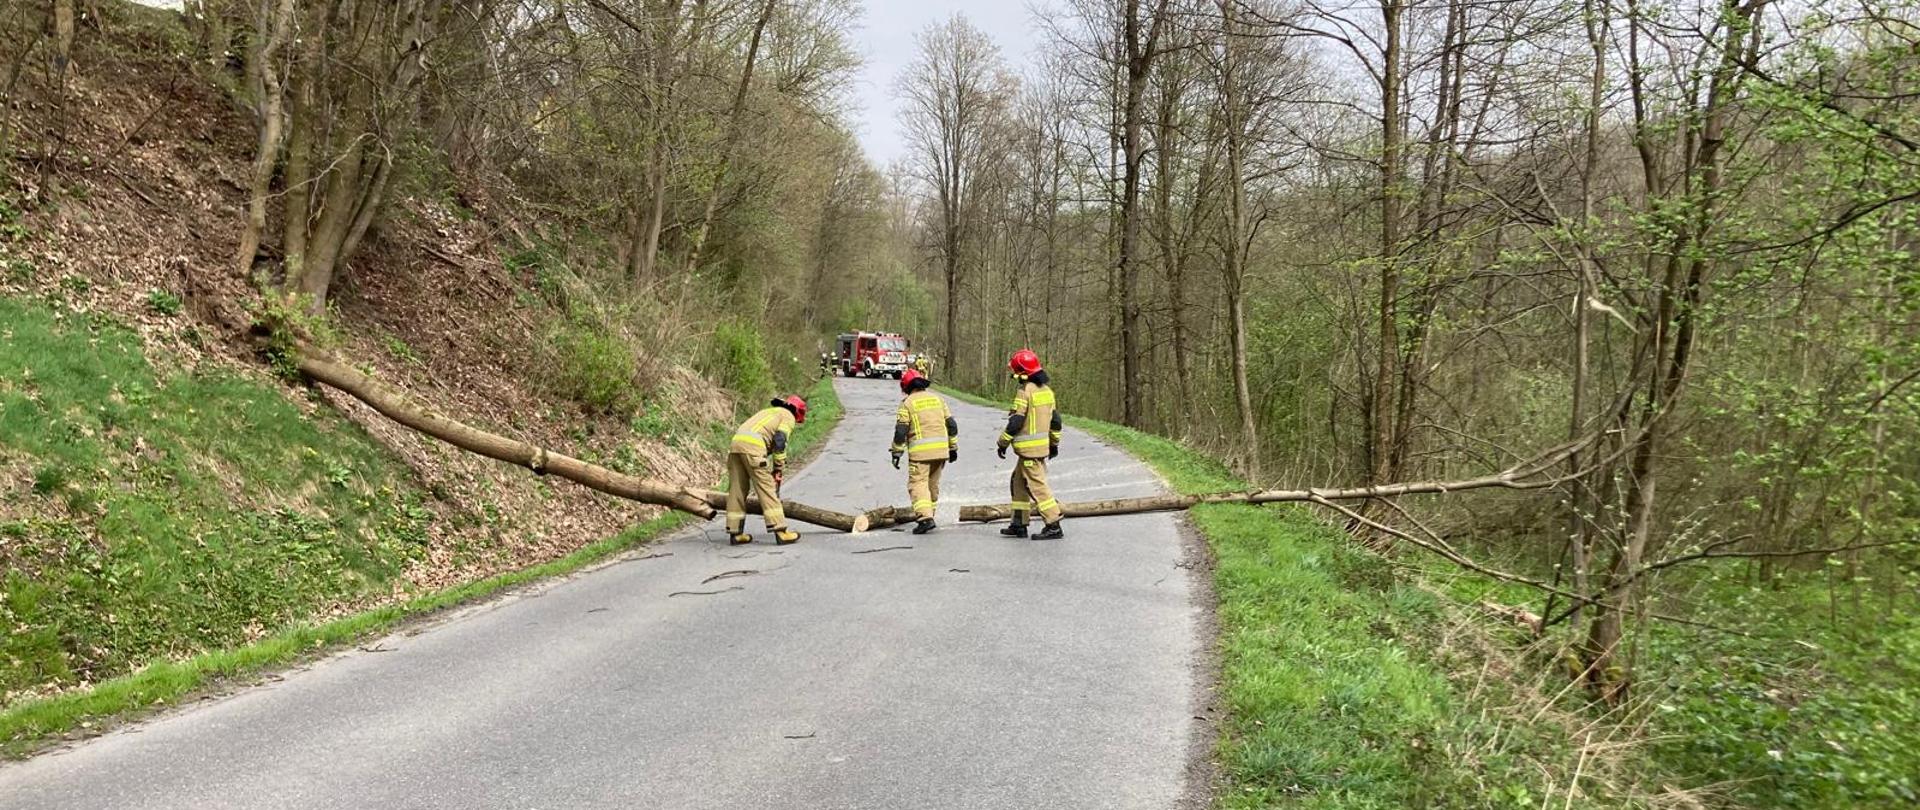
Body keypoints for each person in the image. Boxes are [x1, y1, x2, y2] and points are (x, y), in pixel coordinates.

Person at [996, 349, 1065, 539]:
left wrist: (1002, 443)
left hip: (1029, 452)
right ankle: (1019, 523)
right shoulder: (1048, 392)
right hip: (1039, 449)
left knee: (1038, 486)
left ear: (1022, 373)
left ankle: (1053, 524)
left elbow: (1016, 422)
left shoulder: (1025, 392)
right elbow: (1056, 421)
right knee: (1018, 482)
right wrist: (1054, 444)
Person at [726, 395, 807, 545]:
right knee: (767, 489)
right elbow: (780, 440)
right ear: (798, 413)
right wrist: (778, 467)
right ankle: (781, 531)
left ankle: (735, 532)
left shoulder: (769, 412)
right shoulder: (788, 416)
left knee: (737, 489)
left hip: (735, 446)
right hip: (753, 448)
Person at [889, 369, 958, 535]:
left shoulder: (907, 403)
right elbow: (952, 425)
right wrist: (953, 447)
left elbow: (900, 431)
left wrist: (897, 452)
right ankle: (930, 513)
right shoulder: (938, 399)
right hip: (941, 452)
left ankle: (925, 519)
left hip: (920, 455)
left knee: (918, 484)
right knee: (932, 485)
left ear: (905, 386)